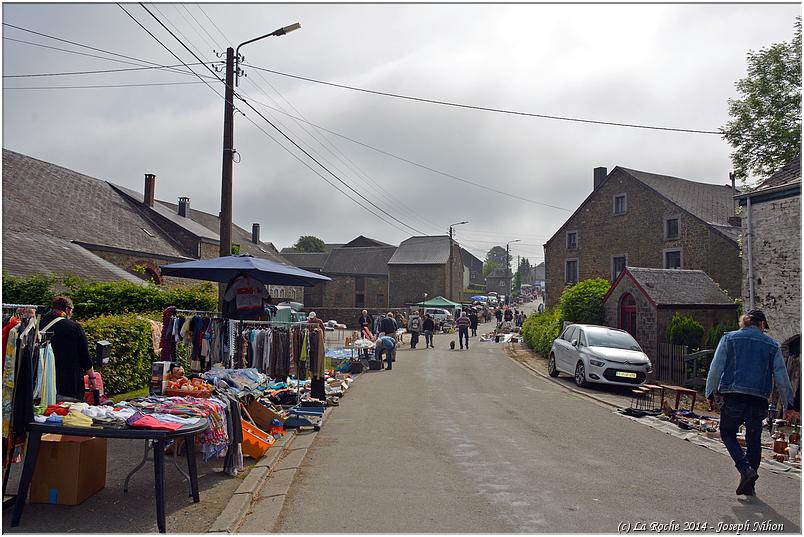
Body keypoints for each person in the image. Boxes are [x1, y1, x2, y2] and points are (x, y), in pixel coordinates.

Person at [705, 310, 797, 497]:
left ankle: (745, 469)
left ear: (745, 322)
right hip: (758, 400)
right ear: (761, 324)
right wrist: (789, 405)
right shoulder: (772, 345)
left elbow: (716, 368)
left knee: (727, 432)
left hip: (734, 396)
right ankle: (749, 484)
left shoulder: (729, 339)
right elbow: (782, 377)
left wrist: (710, 393)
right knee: (754, 440)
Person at [39, 296, 93, 400]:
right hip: (69, 381)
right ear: (67, 309)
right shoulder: (73, 327)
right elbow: (84, 355)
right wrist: (91, 377)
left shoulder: (40, 324)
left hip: (44, 379)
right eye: (72, 310)